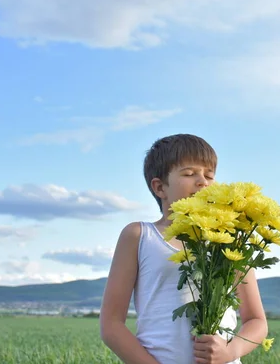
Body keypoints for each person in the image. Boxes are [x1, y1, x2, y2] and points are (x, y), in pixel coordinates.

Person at [100, 134, 268, 364]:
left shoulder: (232, 240)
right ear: (160, 187)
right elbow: (111, 324)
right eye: (190, 174)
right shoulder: (139, 236)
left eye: (209, 175)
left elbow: (257, 321)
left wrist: (230, 351)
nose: (203, 182)